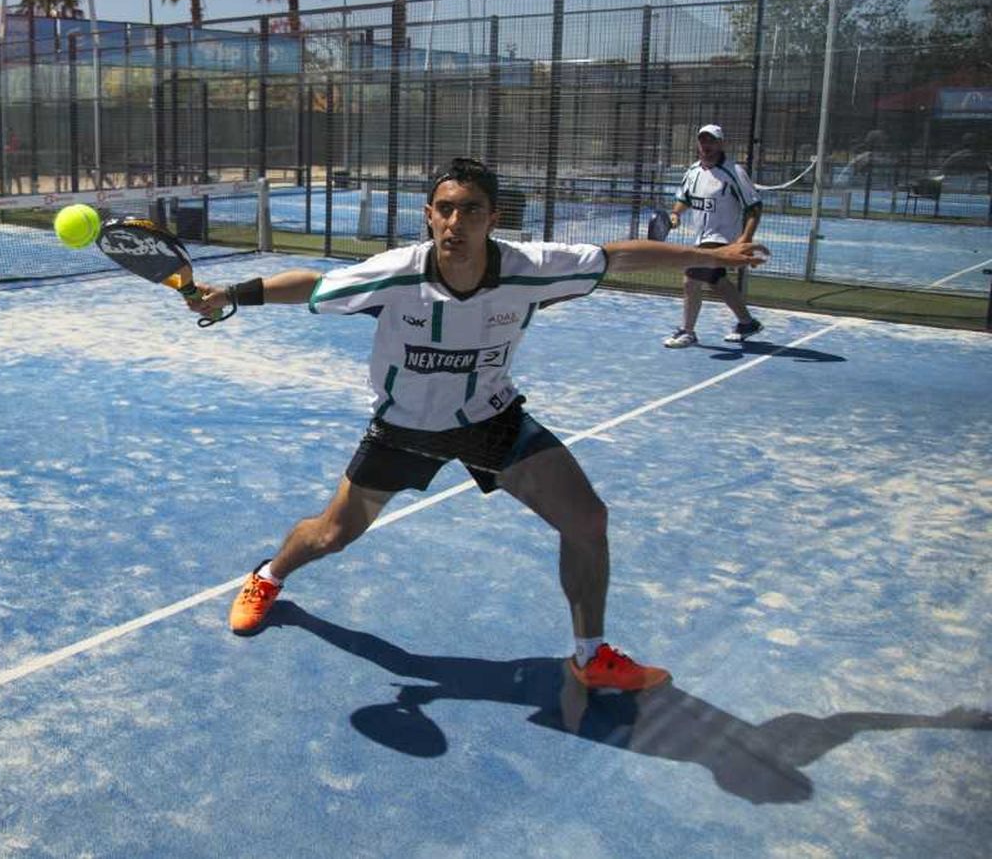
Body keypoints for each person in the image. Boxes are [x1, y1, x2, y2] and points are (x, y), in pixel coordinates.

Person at [187, 156, 770, 693]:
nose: (455, 221)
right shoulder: (394, 274)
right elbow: (310, 284)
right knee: (333, 534)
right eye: (445, 208)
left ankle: (590, 656)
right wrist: (232, 294)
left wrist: (715, 258)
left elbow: (618, 256)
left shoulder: (531, 269)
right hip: (405, 429)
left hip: (490, 420)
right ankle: (269, 574)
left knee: (587, 519)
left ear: (493, 217)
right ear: (428, 215)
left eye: (470, 209)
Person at [661, 124, 764, 349]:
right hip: (702, 237)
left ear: (720, 143)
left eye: (711, 141)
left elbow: (754, 208)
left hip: (724, 238)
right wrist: (676, 214)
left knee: (691, 278)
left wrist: (745, 239)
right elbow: (685, 198)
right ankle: (747, 322)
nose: (706, 145)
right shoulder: (693, 172)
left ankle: (687, 331)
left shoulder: (734, 172)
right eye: (703, 140)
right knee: (715, 280)